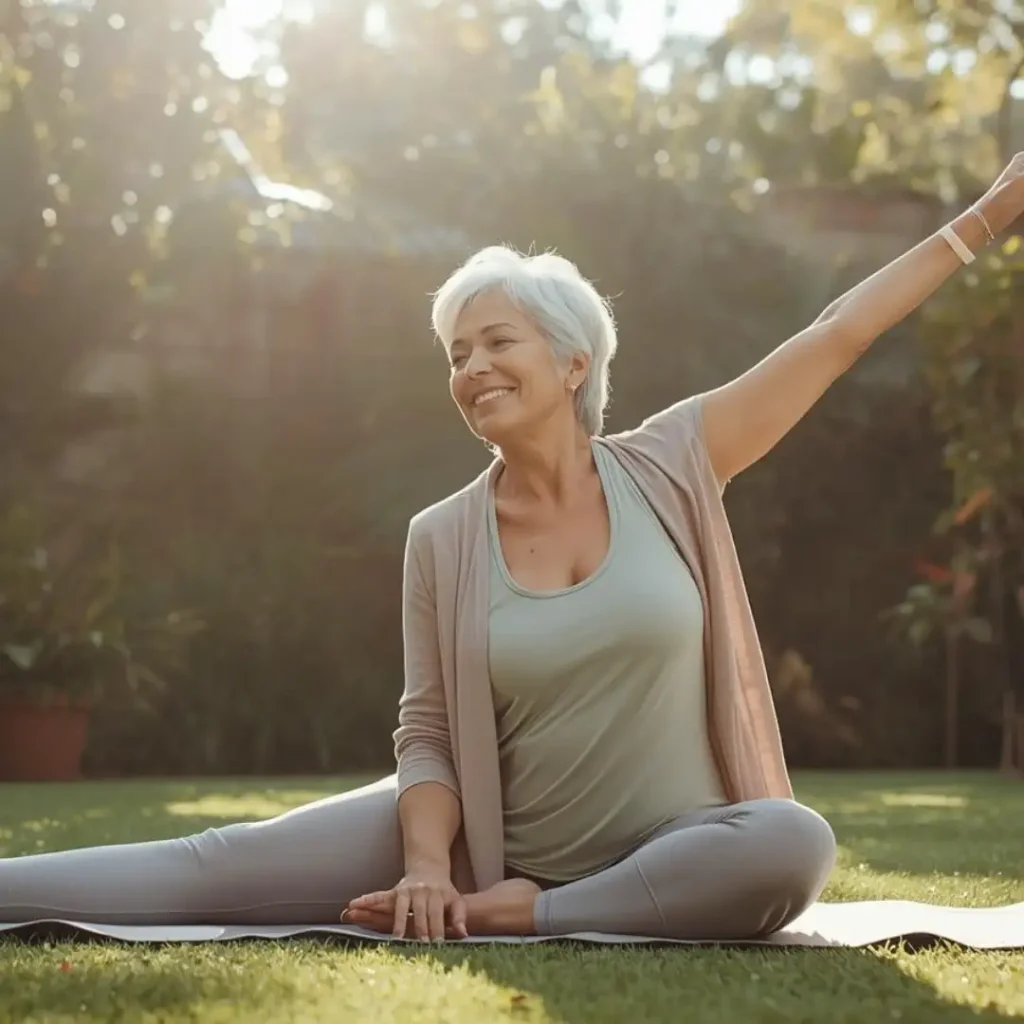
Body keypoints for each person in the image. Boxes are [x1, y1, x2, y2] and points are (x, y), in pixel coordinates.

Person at [3, 157, 1023, 944]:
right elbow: (430, 730)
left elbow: (836, 332)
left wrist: (989, 213)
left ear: (573, 361)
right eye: (456, 353)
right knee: (212, 863)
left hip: (673, 846)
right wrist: (429, 868)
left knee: (793, 840)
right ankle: (508, 893)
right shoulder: (441, 535)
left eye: (499, 341)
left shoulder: (674, 460)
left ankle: (538, 914)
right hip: (491, 834)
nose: (473, 367)